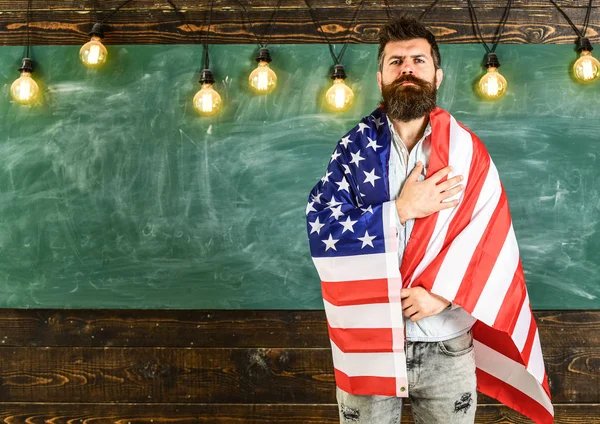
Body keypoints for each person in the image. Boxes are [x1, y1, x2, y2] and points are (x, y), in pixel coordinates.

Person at [306, 17, 553, 424]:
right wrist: (400, 209)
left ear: (437, 74)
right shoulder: (351, 151)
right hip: (368, 340)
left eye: (418, 60)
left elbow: (490, 242)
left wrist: (444, 295)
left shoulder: (467, 153)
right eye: (396, 61)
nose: (407, 68)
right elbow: (322, 227)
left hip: (446, 342)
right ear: (381, 76)